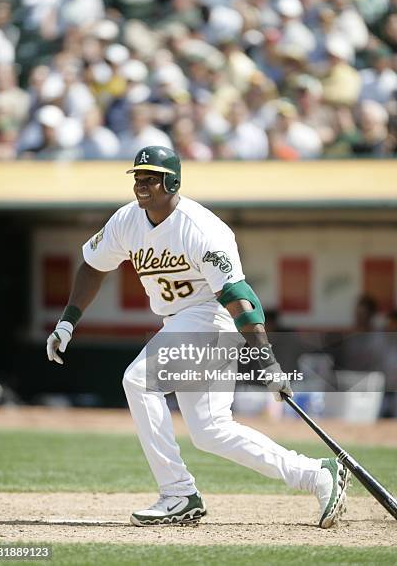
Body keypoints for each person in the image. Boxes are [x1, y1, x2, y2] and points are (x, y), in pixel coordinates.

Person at [46, 145, 349, 527]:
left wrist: (268, 362)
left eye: (151, 178)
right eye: (138, 177)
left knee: (138, 381)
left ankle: (177, 493)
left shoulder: (202, 228)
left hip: (210, 317)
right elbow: (92, 266)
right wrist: (68, 320)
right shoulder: (127, 220)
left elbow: (240, 298)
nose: (142, 184)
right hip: (179, 322)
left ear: (172, 181)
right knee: (211, 432)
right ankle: (316, 473)